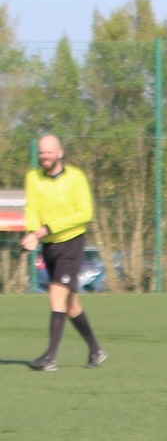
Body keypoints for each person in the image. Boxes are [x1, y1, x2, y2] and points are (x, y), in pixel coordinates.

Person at [20, 134, 106, 371]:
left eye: (48, 152)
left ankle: (50, 358)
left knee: (56, 295)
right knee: (70, 305)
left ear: (60, 152)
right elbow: (32, 209)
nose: (44, 156)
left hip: (71, 243)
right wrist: (31, 232)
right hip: (49, 245)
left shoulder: (76, 178)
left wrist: (49, 228)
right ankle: (96, 351)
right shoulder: (33, 177)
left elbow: (85, 213)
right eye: (41, 153)